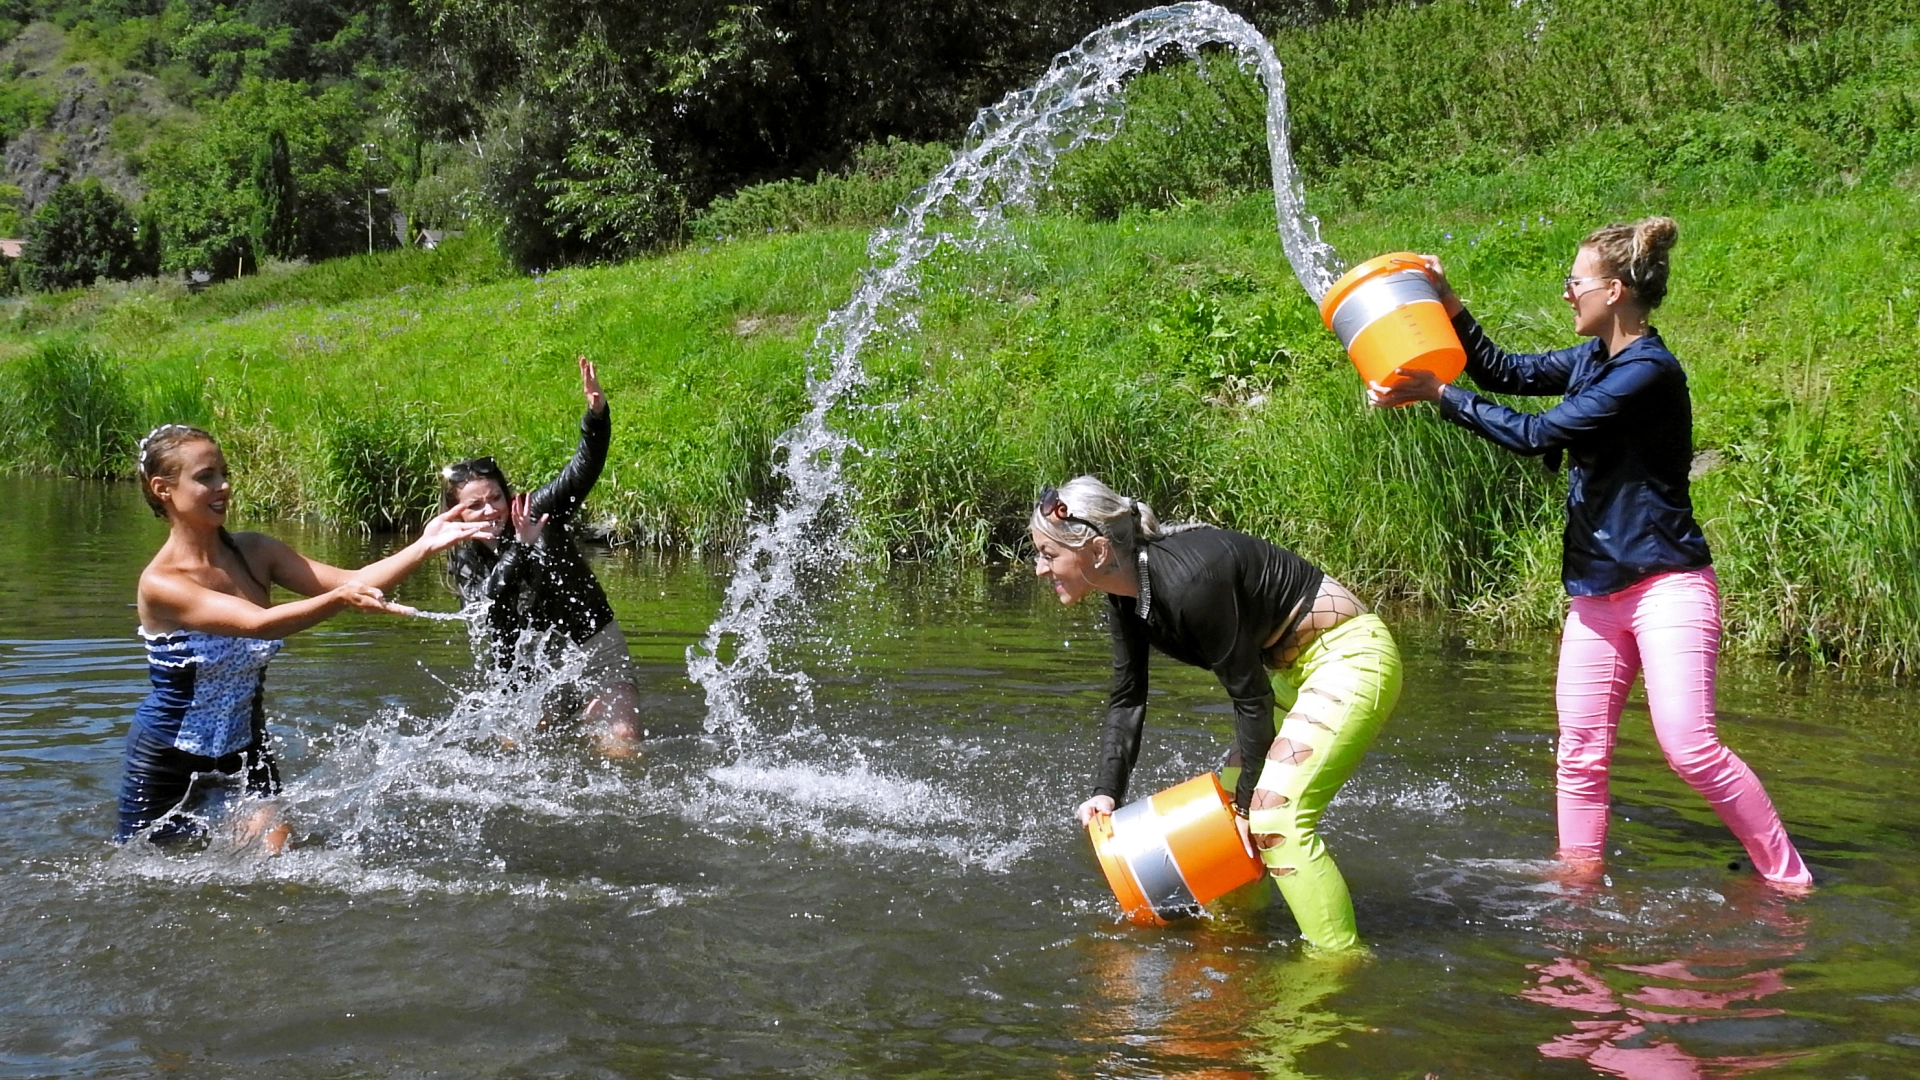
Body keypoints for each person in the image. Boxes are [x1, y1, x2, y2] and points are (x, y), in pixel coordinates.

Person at [1367, 215, 1812, 887]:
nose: (1567, 293)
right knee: (1579, 752)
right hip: (1596, 595)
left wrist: (1440, 396)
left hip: (1667, 587)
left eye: (1574, 282)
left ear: (1614, 290)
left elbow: (1539, 433)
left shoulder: (1647, 373)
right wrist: (1446, 300)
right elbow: (1502, 371)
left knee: (1689, 747)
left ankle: (1788, 877)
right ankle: (1578, 882)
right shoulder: (1590, 361)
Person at [1034, 476, 1401, 951]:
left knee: (1273, 819)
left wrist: (1249, 804)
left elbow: (1250, 698)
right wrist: (1107, 793)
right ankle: (1235, 941)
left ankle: (1338, 965)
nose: (1041, 569)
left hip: (1349, 659)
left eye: (1049, 554)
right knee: (1224, 819)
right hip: (1288, 675)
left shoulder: (1190, 582)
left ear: (1099, 551)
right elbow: (1128, 698)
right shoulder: (1124, 593)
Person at [120, 424, 489, 847]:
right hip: (168, 761)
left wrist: (424, 546)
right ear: (163, 489)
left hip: (245, 753)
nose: (224, 485)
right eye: (205, 477)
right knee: (148, 881)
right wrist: (341, 600)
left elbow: (357, 579)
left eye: (224, 472)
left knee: (281, 863)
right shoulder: (161, 583)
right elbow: (259, 623)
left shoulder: (256, 551)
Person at [440, 355, 642, 756]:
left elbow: (582, 470)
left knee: (623, 744)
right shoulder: (462, 559)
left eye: (496, 497)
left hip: (595, 645)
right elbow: (490, 604)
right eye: (475, 506)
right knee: (515, 748)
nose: (491, 510)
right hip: (538, 671)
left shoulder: (536, 511)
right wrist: (521, 546)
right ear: (456, 513)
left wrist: (596, 415)